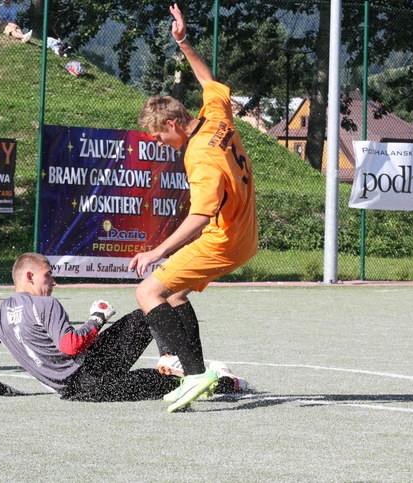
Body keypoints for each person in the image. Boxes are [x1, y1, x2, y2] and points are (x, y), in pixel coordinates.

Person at [128, 4, 258, 410]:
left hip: (224, 239)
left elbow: (200, 217)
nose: (158, 143)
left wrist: (157, 251)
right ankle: (195, 373)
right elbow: (209, 80)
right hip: (245, 234)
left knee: (149, 290)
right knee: (175, 293)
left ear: (171, 124)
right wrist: (183, 42)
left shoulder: (199, 155)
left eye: (157, 136)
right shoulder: (215, 117)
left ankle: (196, 374)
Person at [0, 253, 246, 412]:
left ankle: (198, 372)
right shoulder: (44, 304)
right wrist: (96, 319)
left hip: (78, 392)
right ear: (29, 276)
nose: (54, 281)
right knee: (152, 312)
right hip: (93, 371)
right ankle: (203, 372)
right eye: (49, 275)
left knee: (163, 381)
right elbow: (71, 346)